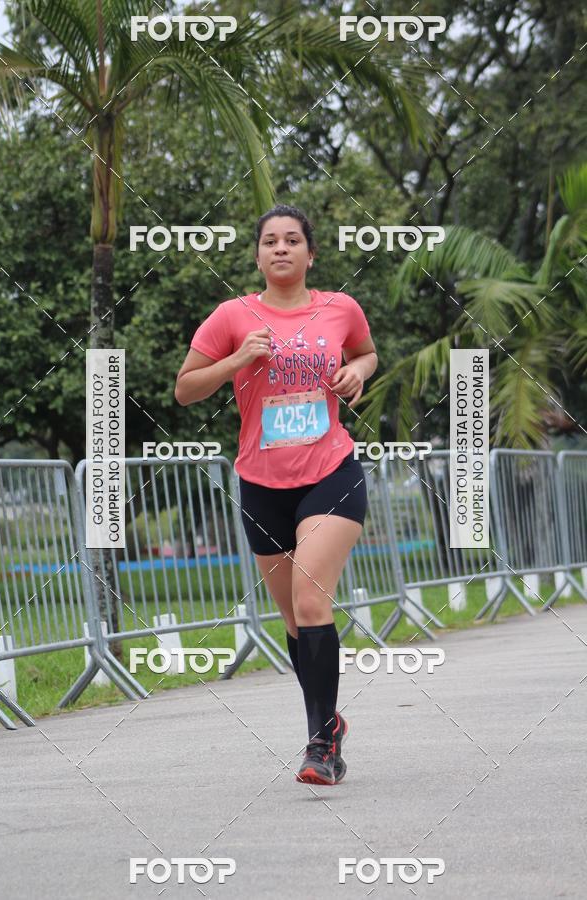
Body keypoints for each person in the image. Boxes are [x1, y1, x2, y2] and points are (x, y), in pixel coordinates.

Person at [175, 204, 378, 785]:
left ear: (311, 254)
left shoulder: (340, 308)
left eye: (293, 240)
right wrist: (238, 359)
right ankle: (327, 727)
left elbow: (365, 350)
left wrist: (358, 371)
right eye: (270, 241)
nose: (281, 249)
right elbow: (185, 390)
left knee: (313, 602)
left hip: (330, 471)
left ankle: (317, 747)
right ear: (258, 255)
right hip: (261, 483)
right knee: (292, 618)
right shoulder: (231, 315)